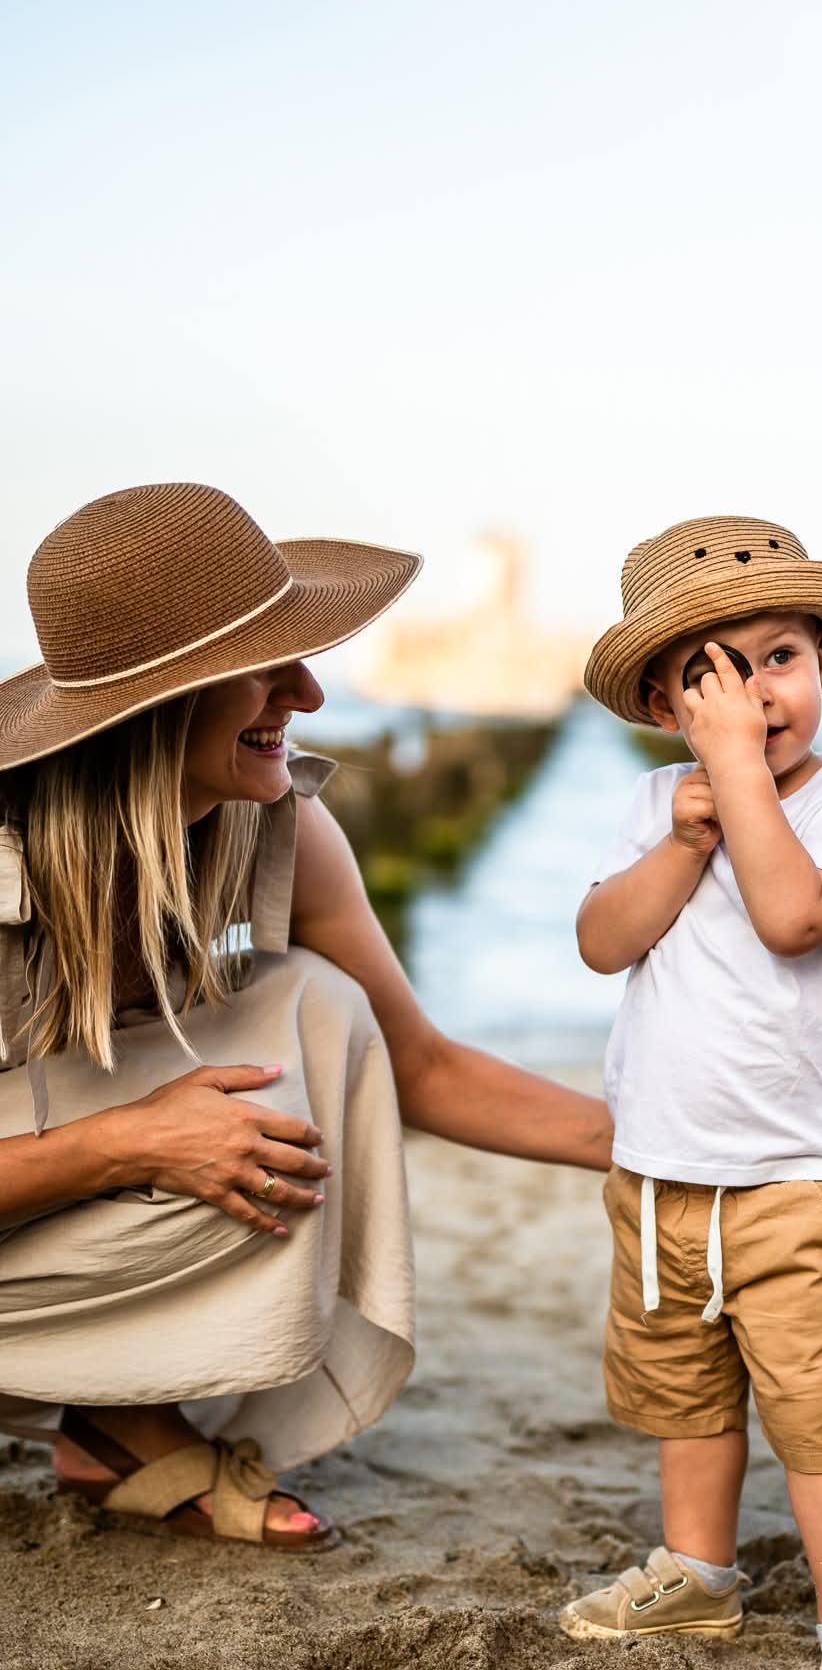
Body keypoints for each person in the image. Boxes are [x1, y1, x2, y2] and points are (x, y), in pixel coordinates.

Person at [0, 481, 611, 1548]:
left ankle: (118, 1417)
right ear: (158, 702)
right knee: (232, 1081)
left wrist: (674, 1147)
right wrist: (128, 1141)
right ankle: (123, 1415)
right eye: (267, 665)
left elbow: (420, 1066)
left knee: (319, 1012)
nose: (314, 693)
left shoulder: (277, 828)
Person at [557, 514, 822, 1670]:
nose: (754, 692)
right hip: (659, 1174)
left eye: (780, 657)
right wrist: (684, 831)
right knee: (685, 1391)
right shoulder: (655, 805)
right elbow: (603, 940)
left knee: (817, 1407)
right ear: (669, 701)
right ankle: (698, 1570)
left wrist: (736, 784)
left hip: (790, 1181)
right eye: (716, 673)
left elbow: (791, 917)